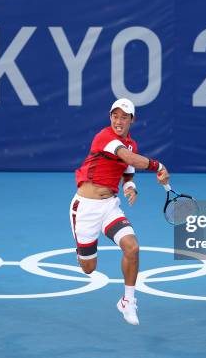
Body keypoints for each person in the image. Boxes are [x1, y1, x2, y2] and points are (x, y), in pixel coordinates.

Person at [70, 98, 169, 326]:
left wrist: (130, 186)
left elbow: (127, 170)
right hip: (85, 208)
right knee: (89, 268)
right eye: (115, 116)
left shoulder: (131, 144)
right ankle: (82, 250)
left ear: (131, 120)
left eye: (124, 117)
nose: (118, 121)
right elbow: (130, 159)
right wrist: (160, 166)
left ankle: (128, 300)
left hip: (109, 207)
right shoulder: (104, 137)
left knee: (132, 247)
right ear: (110, 118)